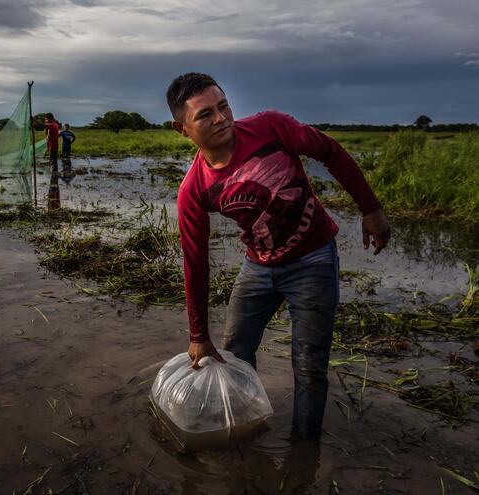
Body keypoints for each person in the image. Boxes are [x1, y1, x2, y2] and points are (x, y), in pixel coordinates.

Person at [167, 72, 391, 440]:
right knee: (234, 352)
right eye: (205, 114)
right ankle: (244, 429)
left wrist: (371, 209)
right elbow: (194, 260)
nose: (221, 118)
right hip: (258, 267)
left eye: (223, 106)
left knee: (309, 366)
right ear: (182, 129)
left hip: (314, 258)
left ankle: (304, 451)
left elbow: (330, 152)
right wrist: (197, 334)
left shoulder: (271, 127)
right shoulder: (195, 189)